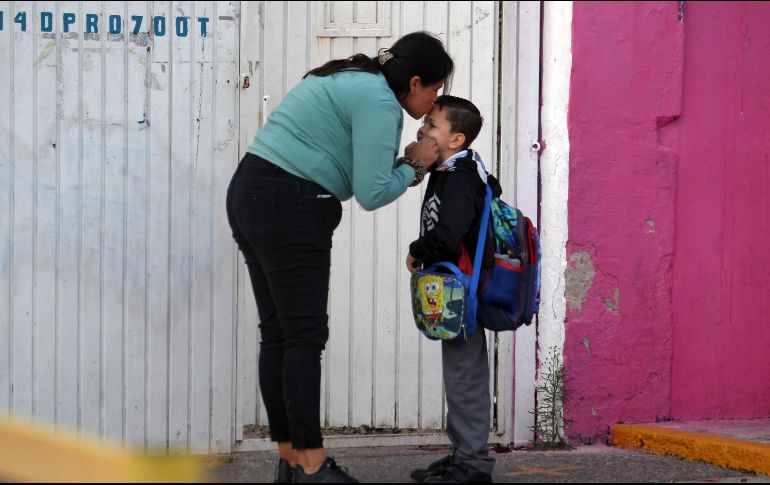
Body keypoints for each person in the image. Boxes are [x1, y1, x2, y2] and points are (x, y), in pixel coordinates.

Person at [226, 32, 453, 483]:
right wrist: (416, 165)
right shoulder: (380, 102)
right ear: (414, 82)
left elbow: (355, 172)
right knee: (303, 337)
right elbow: (371, 192)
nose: (434, 102)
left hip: (251, 191)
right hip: (291, 203)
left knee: (279, 334)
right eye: (434, 90)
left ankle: (293, 461)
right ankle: (312, 466)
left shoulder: (350, 76)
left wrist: (403, 164)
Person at [406, 95, 503, 483]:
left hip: (463, 290)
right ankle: (463, 455)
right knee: (459, 373)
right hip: (454, 288)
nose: (423, 130)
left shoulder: (461, 178)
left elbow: (448, 236)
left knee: (465, 376)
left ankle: (473, 465)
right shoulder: (450, 170)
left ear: (456, 139)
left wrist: (417, 250)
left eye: (432, 125)